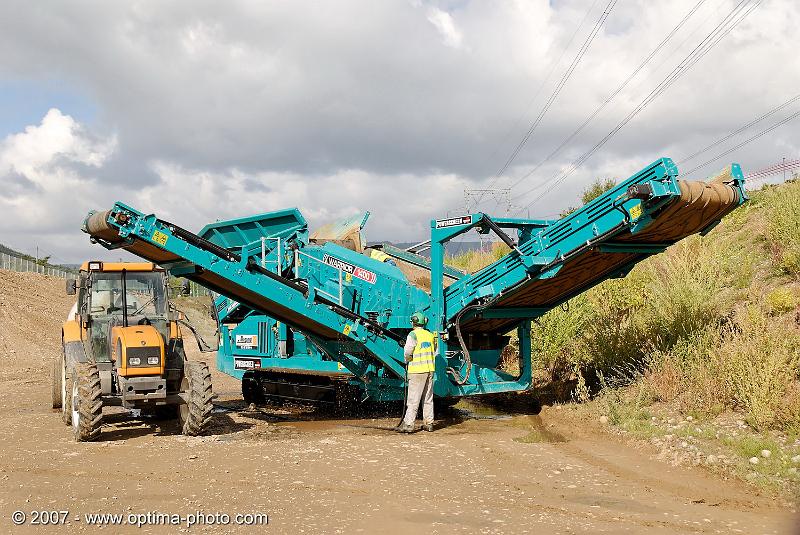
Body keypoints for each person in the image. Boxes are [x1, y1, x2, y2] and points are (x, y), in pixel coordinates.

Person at [397, 311, 436, 433]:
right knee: (428, 398)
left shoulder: (412, 335)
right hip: (429, 370)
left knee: (413, 399)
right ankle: (429, 424)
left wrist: (408, 361)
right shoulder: (430, 335)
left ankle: (409, 425)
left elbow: (408, 352)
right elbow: (434, 349)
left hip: (417, 371)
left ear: (413, 322)